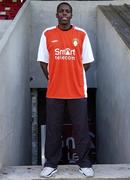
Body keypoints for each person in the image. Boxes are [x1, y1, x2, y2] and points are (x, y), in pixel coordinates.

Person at [37, 2, 94, 178]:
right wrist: (54, 76)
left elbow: (87, 62)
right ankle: (51, 164)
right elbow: (43, 61)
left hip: (77, 91)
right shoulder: (47, 34)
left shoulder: (81, 34)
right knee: (53, 128)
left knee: (81, 128)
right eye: (61, 11)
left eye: (67, 11)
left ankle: (84, 164)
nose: (64, 14)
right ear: (56, 15)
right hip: (55, 91)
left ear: (71, 15)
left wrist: (73, 74)